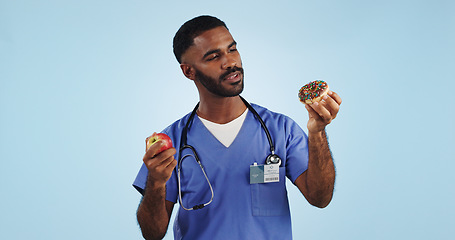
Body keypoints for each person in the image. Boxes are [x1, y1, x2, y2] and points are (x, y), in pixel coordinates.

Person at [133, 15, 342, 240]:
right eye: (214, 57)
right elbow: (152, 234)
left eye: (232, 50)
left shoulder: (281, 130)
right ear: (188, 71)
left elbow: (320, 198)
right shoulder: (172, 143)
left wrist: (317, 132)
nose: (230, 62)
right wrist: (155, 182)